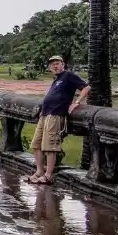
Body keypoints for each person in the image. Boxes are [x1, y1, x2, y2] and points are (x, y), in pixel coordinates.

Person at [27, 55, 89, 185]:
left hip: (56, 114)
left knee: (50, 146)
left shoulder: (68, 76)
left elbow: (86, 87)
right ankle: (39, 172)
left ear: (63, 64)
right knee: (36, 145)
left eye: (57, 63)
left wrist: (76, 102)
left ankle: (48, 175)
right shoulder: (57, 79)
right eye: (52, 64)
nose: (55, 66)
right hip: (45, 114)